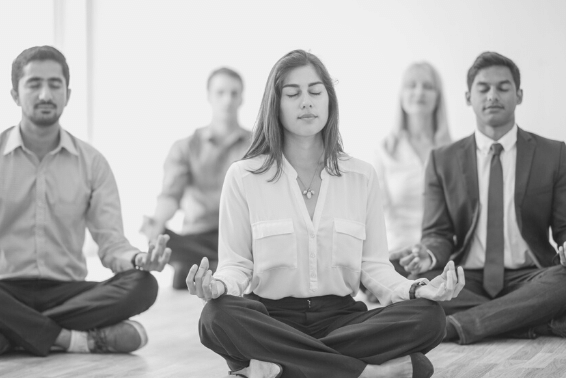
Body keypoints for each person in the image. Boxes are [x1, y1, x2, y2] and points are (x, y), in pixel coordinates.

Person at [187, 50, 465, 378]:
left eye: (316, 92)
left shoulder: (361, 176)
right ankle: (368, 373)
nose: (307, 102)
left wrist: (419, 289)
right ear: (274, 104)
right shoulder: (243, 176)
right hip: (271, 318)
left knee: (430, 317)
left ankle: (274, 369)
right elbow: (236, 265)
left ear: (329, 101)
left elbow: (374, 267)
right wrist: (218, 286)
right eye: (293, 94)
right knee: (216, 317)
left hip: (342, 319)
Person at [0, 46, 171, 358]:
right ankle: (72, 340)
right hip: (2, 289)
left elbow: (111, 243)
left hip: (68, 292)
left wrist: (139, 259)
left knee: (143, 285)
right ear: (15, 94)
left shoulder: (92, 163)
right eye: (34, 84)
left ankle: (10, 336)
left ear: (67, 94)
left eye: (55, 84)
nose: (45, 93)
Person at [391, 51, 566, 345]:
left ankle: (453, 327)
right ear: (468, 97)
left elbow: (563, 229)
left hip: (530, 276)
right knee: (398, 275)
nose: (492, 95)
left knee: (563, 280)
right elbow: (437, 233)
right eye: (483, 88)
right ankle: (529, 320)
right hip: (464, 278)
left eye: (503, 87)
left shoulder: (554, 154)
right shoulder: (442, 160)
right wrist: (428, 255)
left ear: (519, 95)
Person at [140, 67, 251, 289]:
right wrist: (157, 224)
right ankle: (220, 267)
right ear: (209, 96)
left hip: (240, 236)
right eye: (220, 93)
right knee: (161, 236)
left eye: (233, 93)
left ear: (241, 98)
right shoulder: (185, 147)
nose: (227, 100)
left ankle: (204, 267)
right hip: (197, 236)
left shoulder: (257, 145)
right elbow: (170, 195)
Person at [373, 62, 451, 276]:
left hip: (439, 258)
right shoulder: (384, 151)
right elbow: (374, 216)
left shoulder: (453, 151)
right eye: (411, 85)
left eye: (428, 86)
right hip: (396, 255)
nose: (419, 92)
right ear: (401, 94)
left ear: (438, 96)